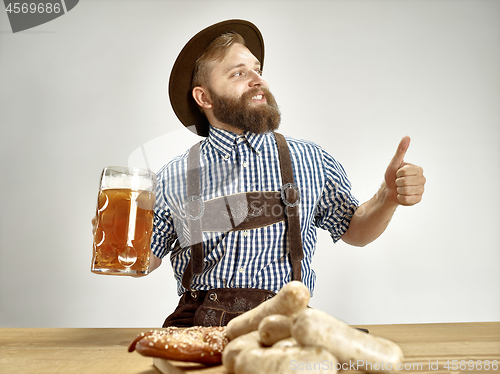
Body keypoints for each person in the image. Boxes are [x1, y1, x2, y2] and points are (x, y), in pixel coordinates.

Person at [149, 20, 425, 327]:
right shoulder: (172, 177)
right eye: (238, 73)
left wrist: (387, 198)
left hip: (286, 325)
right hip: (197, 326)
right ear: (204, 98)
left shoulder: (311, 160)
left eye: (257, 70)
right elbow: (146, 259)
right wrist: (117, 239)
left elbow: (355, 231)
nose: (257, 80)